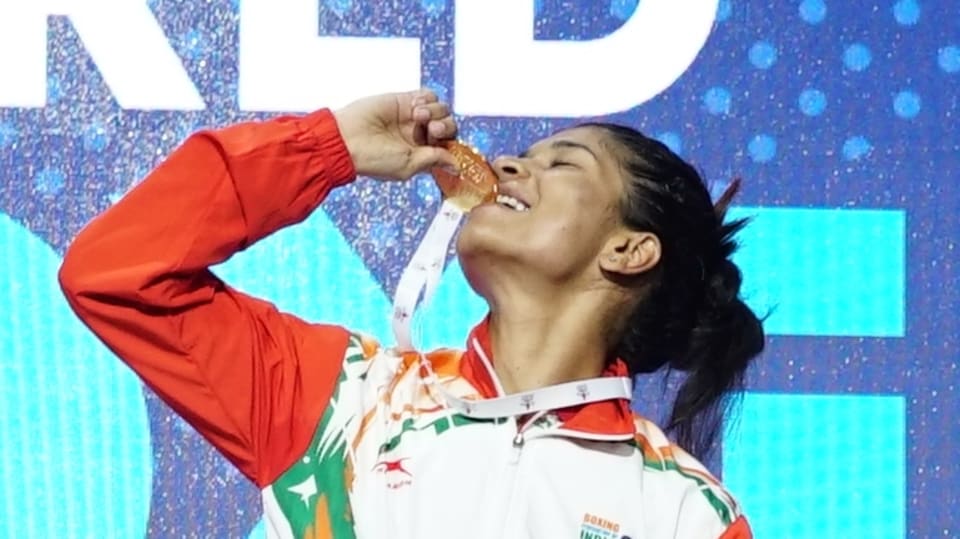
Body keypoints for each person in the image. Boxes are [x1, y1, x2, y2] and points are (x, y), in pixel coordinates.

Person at [59, 88, 764, 538]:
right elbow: (117, 273)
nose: (508, 165)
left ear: (630, 249)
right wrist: (329, 148)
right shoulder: (344, 401)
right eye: (523, 155)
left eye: (563, 164)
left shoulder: (683, 513)